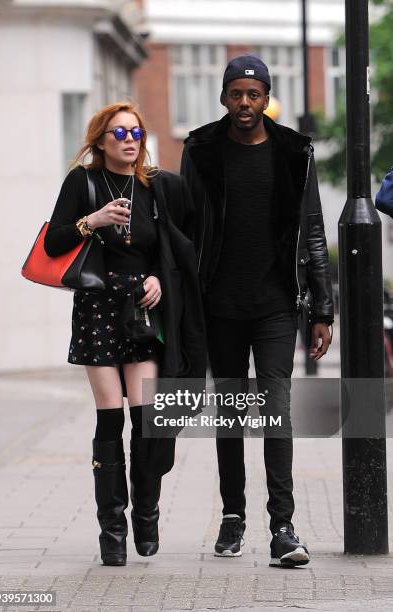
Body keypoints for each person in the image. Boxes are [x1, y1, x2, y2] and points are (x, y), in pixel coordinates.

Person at [181, 54, 334, 567]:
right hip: (218, 304)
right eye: (235, 94)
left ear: (267, 98)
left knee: (275, 411)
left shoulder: (294, 150)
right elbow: (186, 229)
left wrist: (323, 311)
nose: (244, 103)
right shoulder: (201, 149)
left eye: (254, 94)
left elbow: (312, 229)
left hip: (275, 306)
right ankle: (232, 515)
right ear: (223, 97)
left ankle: (283, 528)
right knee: (229, 414)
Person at [44, 102, 205, 566]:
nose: (129, 139)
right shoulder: (83, 182)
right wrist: (92, 221)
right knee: (109, 419)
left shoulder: (155, 188)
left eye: (136, 131)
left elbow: (168, 247)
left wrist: (158, 278)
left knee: (149, 421)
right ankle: (112, 528)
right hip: (97, 308)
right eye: (119, 133)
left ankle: (147, 512)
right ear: (100, 140)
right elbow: (54, 241)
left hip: (142, 309)